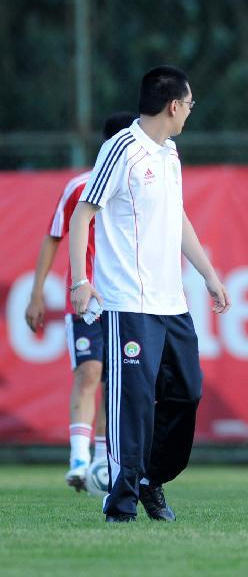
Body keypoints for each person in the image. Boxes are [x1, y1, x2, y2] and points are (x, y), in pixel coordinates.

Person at [69, 66, 230, 522]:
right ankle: (120, 503)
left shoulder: (169, 152)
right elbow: (84, 215)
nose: (190, 112)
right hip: (129, 304)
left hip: (172, 303)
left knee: (188, 394)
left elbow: (177, 219)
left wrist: (209, 275)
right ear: (173, 104)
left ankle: (149, 478)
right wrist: (81, 280)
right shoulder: (120, 148)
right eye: (190, 103)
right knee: (134, 406)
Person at [25, 111, 134, 491]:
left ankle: (105, 464)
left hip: (128, 301)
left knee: (114, 383)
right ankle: (79, 459)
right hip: (88, 299)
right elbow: (54, 235)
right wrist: (37, 292)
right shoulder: (80, 187)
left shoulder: (142, 189)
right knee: (88, 373)